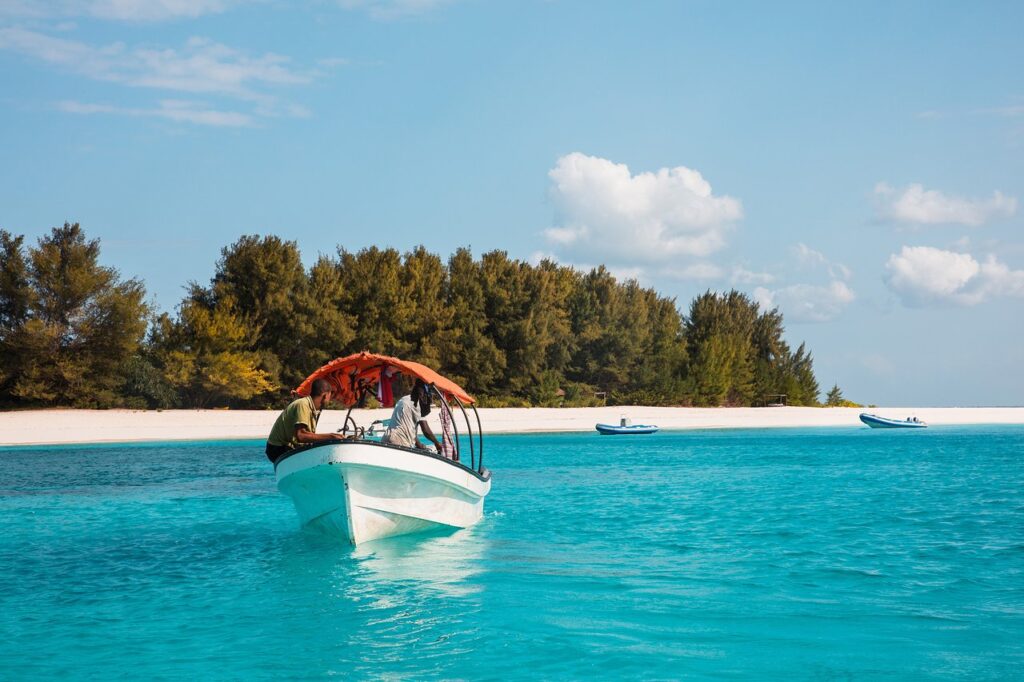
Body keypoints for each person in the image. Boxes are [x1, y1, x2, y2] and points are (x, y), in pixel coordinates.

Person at [265, 378, 348, 463]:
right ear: (325, 395)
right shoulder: (303, 405)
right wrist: (331, 437)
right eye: (330, 396)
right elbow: (301, 436)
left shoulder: (311, 407)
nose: (329, 400)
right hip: (277, 448)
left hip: (286, 446)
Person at [382, 378, 443, 453]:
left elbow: (408, 427)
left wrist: (419, 445)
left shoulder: (403, 399)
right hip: (400, 440)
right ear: (422, 390)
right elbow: (426, 430)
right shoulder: (418, 403)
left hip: (386, 438)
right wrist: (437, 443)